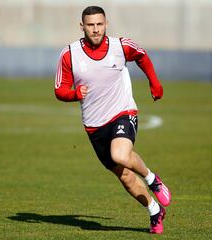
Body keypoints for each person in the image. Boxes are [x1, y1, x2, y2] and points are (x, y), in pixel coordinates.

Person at [54, 6, 171, 234]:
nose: (95, 30)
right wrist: (75, 94)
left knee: (120, 154)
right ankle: (154, 211)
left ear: (106, 24)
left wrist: (154, 83)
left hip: (123, 112)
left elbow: (142, 56)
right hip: (94, 126)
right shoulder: (69, 54)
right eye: (90, 25)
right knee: (126, 177)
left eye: (99, 24)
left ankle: (152, 179)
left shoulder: (121, 46)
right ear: (82, 26)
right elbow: (59, 90)